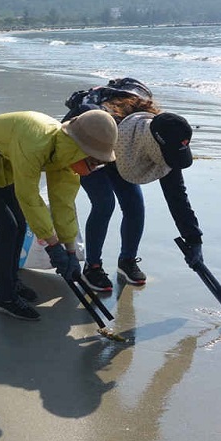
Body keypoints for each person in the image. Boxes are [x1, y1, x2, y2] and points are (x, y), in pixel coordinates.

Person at [0, 110, 118, 320]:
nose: (92, 170)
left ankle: (12, 281)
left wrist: (70, 251)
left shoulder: (65, 154)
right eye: (93, 162)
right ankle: (5, 299)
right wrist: (53, 246)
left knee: (21, 223)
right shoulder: (36, 140)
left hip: (2, 168)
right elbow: (28, 196)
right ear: (79, 149)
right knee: (6, 227)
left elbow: (63, 205)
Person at [62, 78, 203, 292]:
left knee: (135, 205)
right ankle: (93, 266)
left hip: (127, 154)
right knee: (104, 203)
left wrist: (193, 238)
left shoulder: (167, 140)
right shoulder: (104, 120)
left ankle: (127, 261)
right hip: (90, 148)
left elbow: (177, 195)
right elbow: (71, 133)